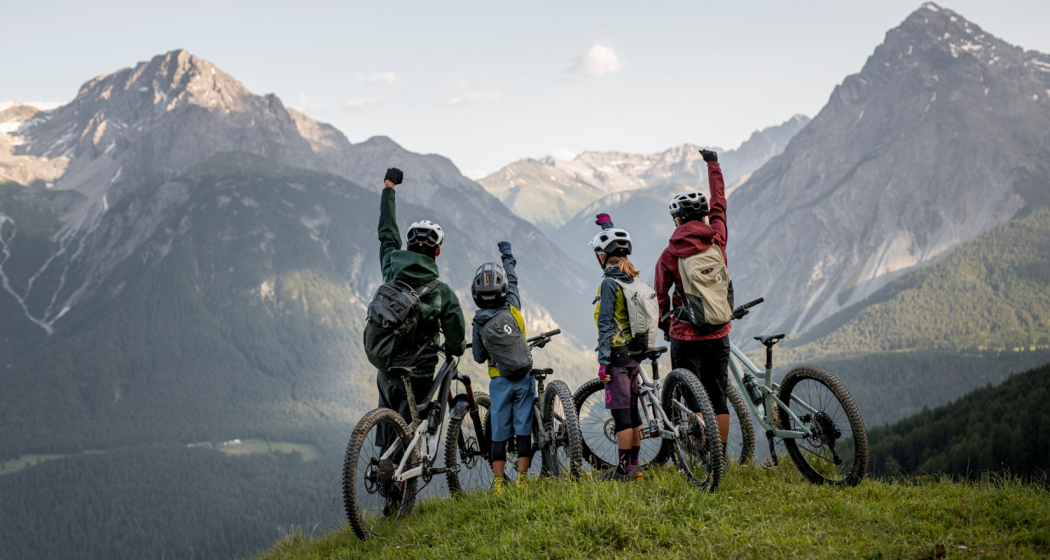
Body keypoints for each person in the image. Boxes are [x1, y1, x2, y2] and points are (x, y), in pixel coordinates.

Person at [376, 167, 466, 512]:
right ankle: (399, 478)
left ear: (408, 246)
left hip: (385, 365)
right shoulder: (441, 292)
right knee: (423, 422)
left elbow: (386, 234)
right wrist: (454, 348)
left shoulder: (390, 267)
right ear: (437, 253)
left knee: (387, 420)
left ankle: (387, 481)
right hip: (418, 373)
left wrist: (389, 188)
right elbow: (456, 339)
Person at [654, 149, 732, 460]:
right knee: (718, 396)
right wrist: (713, 165)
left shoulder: (670, 252)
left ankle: (702, 455)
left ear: (677, 218)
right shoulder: (717, 238)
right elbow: (720, 204)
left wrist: (663, 324)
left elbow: (661, 294)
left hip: (686, 335)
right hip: (719, 328)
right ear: (702, 216)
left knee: (692, 397)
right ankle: (720, 456)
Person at [470, 241, 533, 492]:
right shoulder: (513, 307)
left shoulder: (478, 321)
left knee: (499, 430)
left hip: (499, 381)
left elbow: (477, 356)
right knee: (523, 426)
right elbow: (513, 281)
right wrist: (507, 256)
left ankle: (498, 483)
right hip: (524, 377)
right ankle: (521, 482)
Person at [590, 214, 645, 481]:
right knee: (634, 412)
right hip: (635, 357)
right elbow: (614, 249)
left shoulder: (609, 283)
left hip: (617, 358)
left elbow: (605, 327)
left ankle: (623, 471)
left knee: (621, 415)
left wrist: (603, 364)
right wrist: (606, 226)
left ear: (602, 257)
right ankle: (634, 466)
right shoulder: (629, 277)